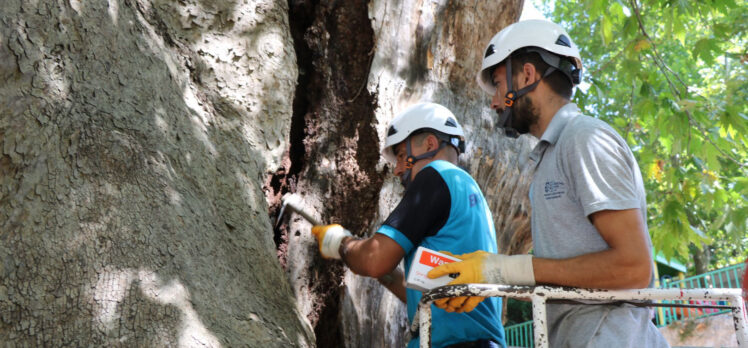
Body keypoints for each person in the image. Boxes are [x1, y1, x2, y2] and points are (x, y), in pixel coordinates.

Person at [428, 20, 669, 347]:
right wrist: (488, 281)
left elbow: (633, 268)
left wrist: (501, 270)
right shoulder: (549, 156)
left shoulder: (584, 139)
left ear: (528, 75)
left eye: (498, 84)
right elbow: (560, 275)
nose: (494, 103)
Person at [311, 102, 506, 348]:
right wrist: (388, 276)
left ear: (430, 145)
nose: (397, 169)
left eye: (402, 156)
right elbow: (433, 290)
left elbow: (374, 260)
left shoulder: (435, 175)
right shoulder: (467, 192)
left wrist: (340, 243)